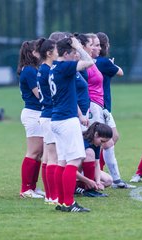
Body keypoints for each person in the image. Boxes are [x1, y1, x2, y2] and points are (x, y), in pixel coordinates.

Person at [50, 36, 94, 212]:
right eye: (74, 52)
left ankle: (61, 201)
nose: (76, 55)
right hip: (67, 121)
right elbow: (89, 62)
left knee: (62, 162)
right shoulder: (64, 67)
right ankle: (69, 202)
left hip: (58, 119)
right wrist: (79, 47)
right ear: (66, 53)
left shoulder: (54, 68)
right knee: (74, 161)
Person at [86, 33, 135, 189]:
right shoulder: (103, 62)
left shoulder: (91, 62)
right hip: (99, 107)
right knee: (106, 141)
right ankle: (114, 179)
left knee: (111, 138)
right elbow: (120, 72)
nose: (99, 48)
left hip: (102, 106)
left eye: (100, 45)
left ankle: (100, 173)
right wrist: (111, 64)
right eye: (96, 45)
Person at [17, 40, 45, 198]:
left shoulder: (34, 69)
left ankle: (33, 187)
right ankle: (25, 189)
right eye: (37, 51)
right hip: (33, 113)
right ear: (31, 53)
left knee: (39, 152)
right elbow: (39, 94)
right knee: (33, 152)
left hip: (37, 113)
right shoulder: (29, 71)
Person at [36, 38, 58, 204]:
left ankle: (50, 195)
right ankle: (52, 196)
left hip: (46, 115)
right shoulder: (46, 71)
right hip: (50, 115)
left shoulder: (44, 69)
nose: (59, 52)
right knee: (52, 157)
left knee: (49, 157)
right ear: (49, 53)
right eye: (56, 50)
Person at [76, 122, 113, 197]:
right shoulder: (82, 142)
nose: (103, 144)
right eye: (102, 141)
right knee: (90, 152)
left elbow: (96, 164)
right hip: (73, 172)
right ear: (96, 134)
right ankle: (89, 189)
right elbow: (71, 170)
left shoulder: (96, 143)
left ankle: (78, 187)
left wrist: (98, 182)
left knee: (108, 181)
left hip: (82, 173)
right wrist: (88, 181)